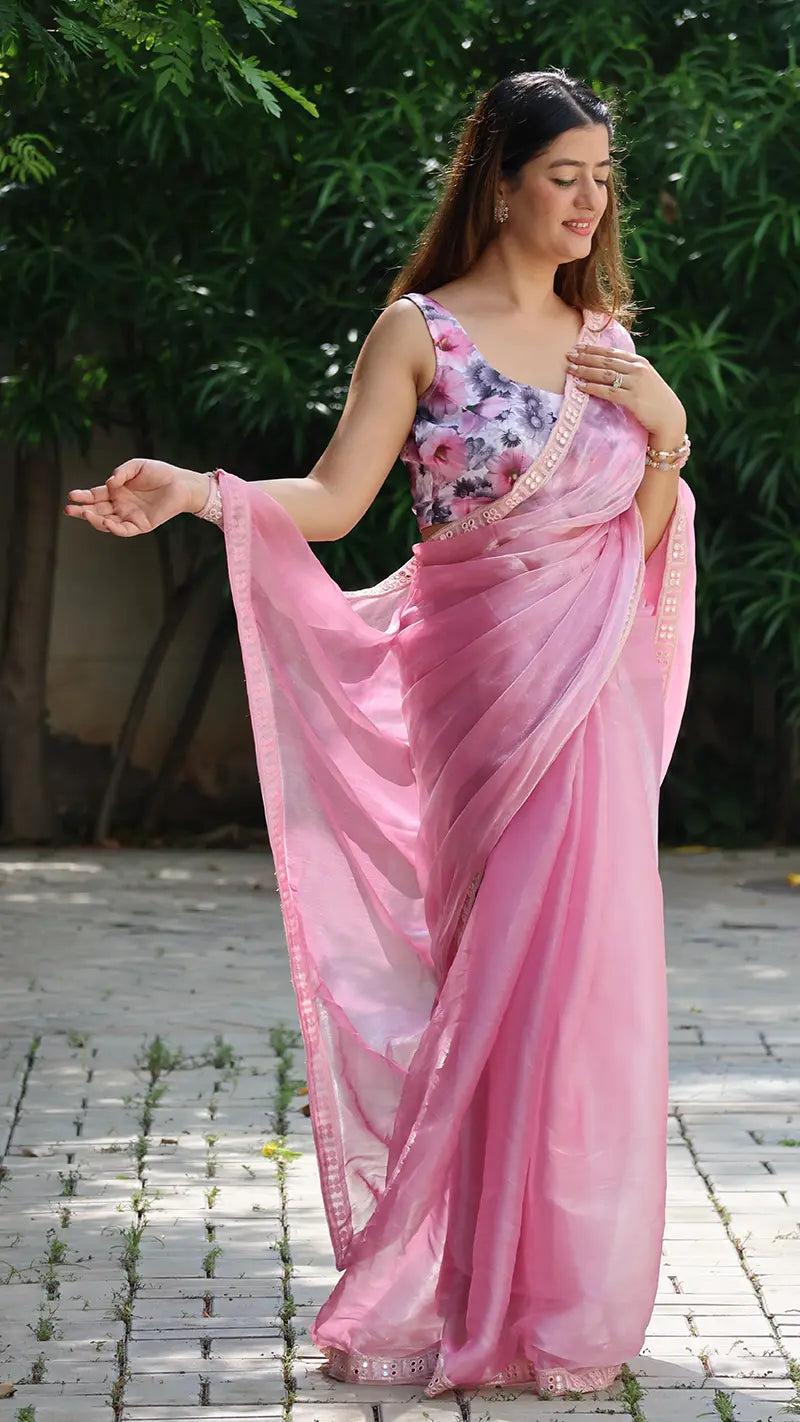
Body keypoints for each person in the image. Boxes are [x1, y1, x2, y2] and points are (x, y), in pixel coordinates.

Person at [65, 69, 696, 1400]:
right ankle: (467, 1289)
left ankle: (543, 1298)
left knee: (573, 987)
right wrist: (195, 490)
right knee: (489, 984)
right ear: (502, 180)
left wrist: (669, 436)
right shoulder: (419, 331)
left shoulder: (610, 342)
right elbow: (341, 502)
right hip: (472, 691)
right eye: (563, 174)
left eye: (602, 176)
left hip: (584, 706)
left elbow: (629, 550)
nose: (588, 201)